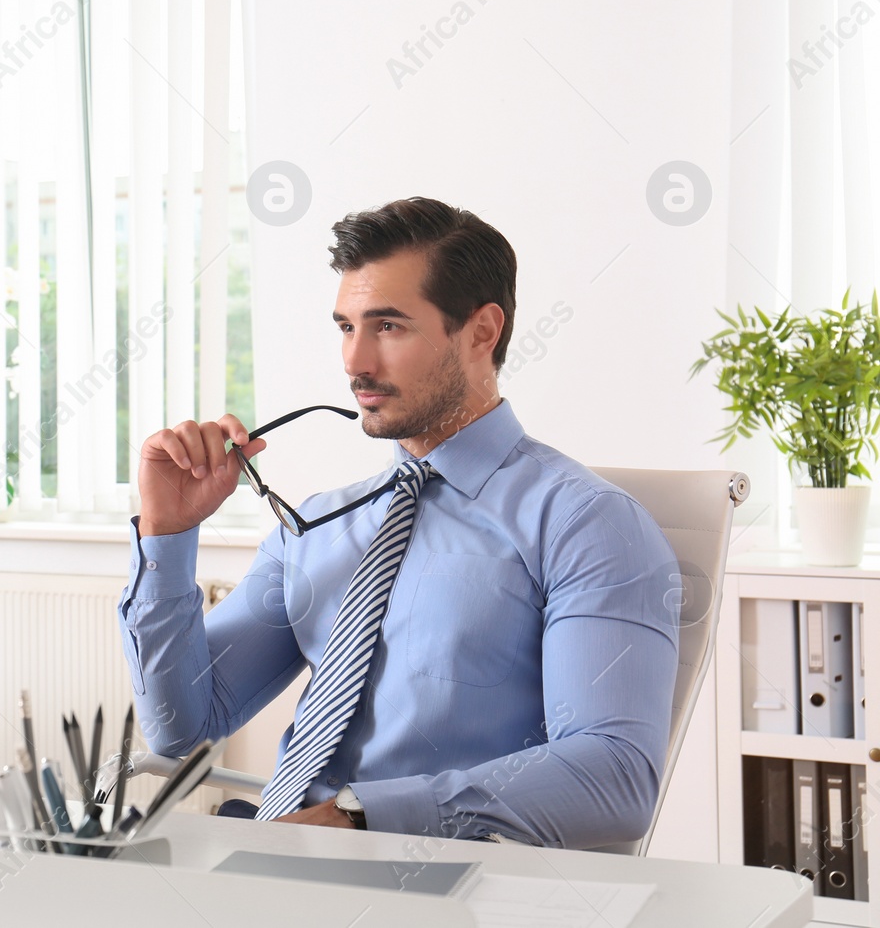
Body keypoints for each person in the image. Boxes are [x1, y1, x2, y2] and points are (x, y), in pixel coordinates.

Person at [118, 197, 679, 848]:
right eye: (345, 327)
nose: (356, 361)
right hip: (276, 869)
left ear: (480, 331)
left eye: (388, 326)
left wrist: (358, 816)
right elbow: (180, 728)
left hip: (443, 890)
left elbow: (614, 776)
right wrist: (166, 533)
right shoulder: (318, 525)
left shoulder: (586, 523)